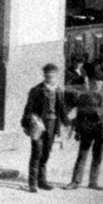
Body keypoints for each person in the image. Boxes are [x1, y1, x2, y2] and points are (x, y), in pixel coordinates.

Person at [65, 62, 103, 190]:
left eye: (100, 82)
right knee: (82, 155)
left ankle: (93, 182)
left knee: (98, 156)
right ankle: (76, 181)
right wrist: (77, 131)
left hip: (101, 129)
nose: (97, 85)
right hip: (87, 128)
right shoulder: (84, 97)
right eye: (94, 82)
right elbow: (80, 114)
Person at [18, 64, 66, 192]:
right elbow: (28, 109)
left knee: (46, 152)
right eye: (48, 76)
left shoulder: (59, 91)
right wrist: (26, 124)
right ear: (44, 76)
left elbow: (61, 110)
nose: (51, 78)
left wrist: (67, 123)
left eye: (53, 76)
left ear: (56, 76)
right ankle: (32, 183)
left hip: (52, 124)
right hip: (38, 125)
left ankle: (42, 180)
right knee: (36, 152)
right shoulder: (37, 90)